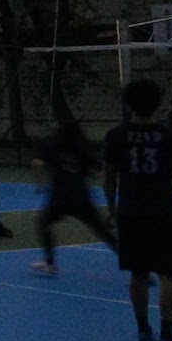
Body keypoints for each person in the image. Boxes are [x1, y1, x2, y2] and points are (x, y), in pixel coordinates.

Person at [102, 78, 172, 341]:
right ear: (158, 103)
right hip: (163, 213)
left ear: (129, 103)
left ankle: (143, 333)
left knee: (138, 275)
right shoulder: (171, 137)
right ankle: (167, 340)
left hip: (130, 212)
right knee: (168, 276)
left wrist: (112, 208)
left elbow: (109, 176)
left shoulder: (116, 136)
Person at [30, 118, 117, 276]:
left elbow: (36, 163)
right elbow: (99, 168)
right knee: (103, 233)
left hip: (60, 198)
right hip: (81, 198)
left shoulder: (53, 146)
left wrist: (39, 184)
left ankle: (50, 263)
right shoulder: (81, 147)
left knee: (43, 222)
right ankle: (135, 266)